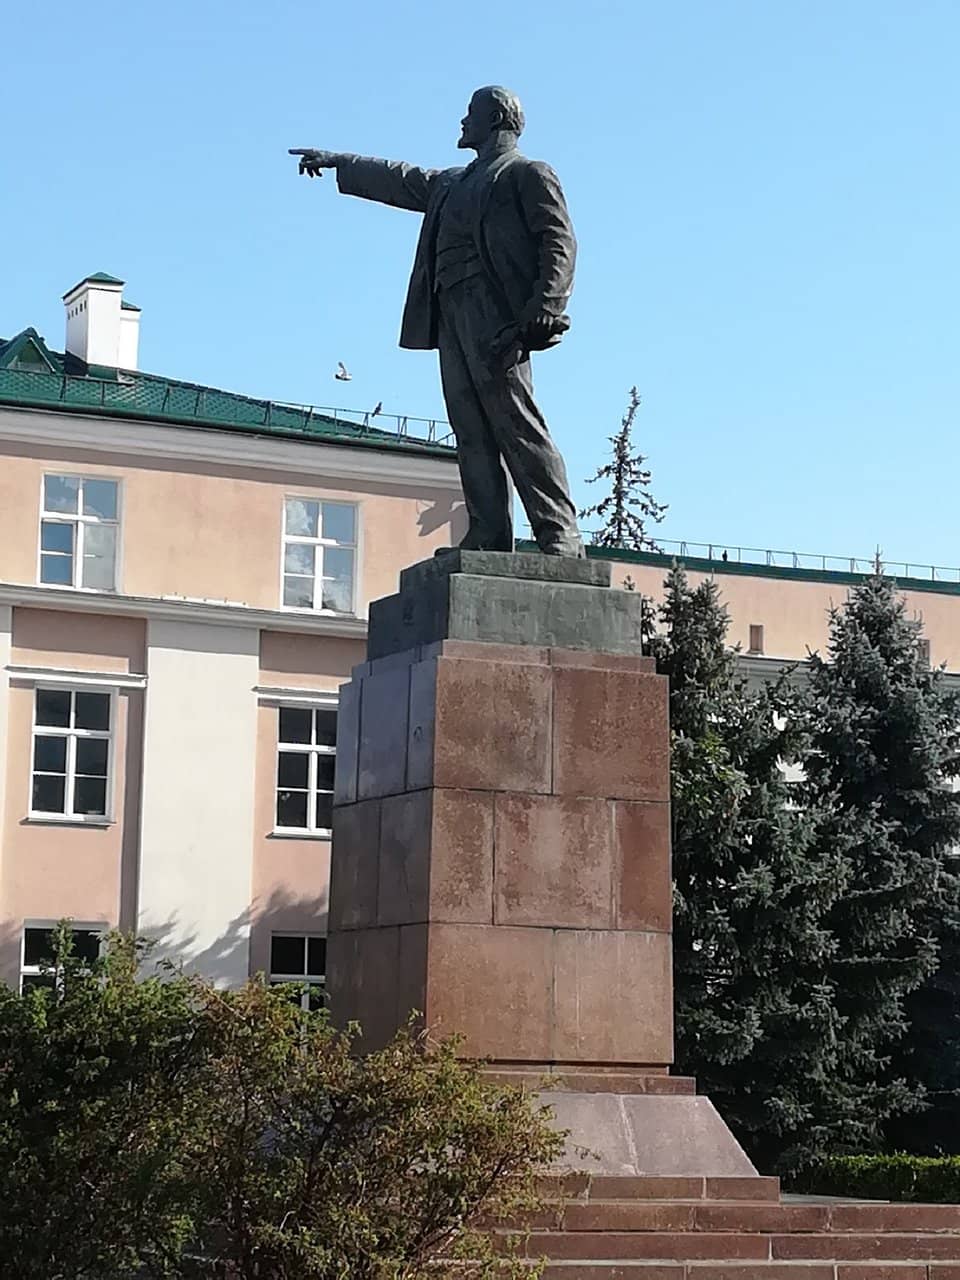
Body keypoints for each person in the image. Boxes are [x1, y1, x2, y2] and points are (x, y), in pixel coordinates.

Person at [290, 86, 584, 557]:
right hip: (451, 312)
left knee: (516, 423)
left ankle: (559, 534)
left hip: (498, 315)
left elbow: (558, 239)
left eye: (470, 114)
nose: (462, 121)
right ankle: (488, 533)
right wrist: (339, 161)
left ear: (495, 120)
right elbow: (401, 179)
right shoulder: (450, 183)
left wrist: (546, 305)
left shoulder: (527, 174)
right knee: (470, 428)